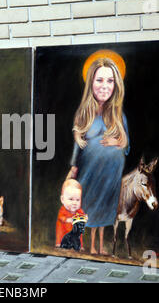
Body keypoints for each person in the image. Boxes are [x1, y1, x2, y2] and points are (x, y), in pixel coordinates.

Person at [67, 56, 130, 255]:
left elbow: (126, 144)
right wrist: (73, 167)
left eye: (110, 81)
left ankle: (101, 246)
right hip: (89, 172)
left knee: (104, 209)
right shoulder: (84, 113)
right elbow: (78, 145)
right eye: (99, 80)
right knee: (86, 206)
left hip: (110, 176)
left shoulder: (119, 115)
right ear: (91, 83)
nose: (105, 86)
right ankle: (84, 243)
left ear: (116, 84)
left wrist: (117, 142)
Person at [55, 179, 86, 249]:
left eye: (78, 200)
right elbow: (60, 217)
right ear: (62, 199)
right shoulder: (63, 210)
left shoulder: (79, 211)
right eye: (71, 199)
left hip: (74, 230)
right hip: (64, 228)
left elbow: (82, 216)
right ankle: (59, 243)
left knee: (78, 232)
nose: (74, 203)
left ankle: (80, 245)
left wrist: (84, 217)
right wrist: (67, 219)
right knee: (61, 234)